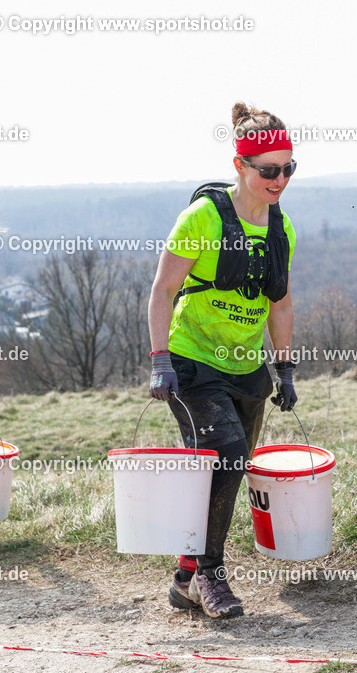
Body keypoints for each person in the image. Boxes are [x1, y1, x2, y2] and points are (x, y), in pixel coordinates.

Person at [148, 102, 299, 618]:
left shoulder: (282, 229)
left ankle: (185, 576)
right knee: (228, 455)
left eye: (288, 169)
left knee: (224, 474)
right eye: (269, 170)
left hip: (246, 368)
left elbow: (279, 301)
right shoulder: (204, 217)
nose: (280, 180)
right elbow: (162, 290)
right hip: (192, 362)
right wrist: (159, 359)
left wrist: (284, 367)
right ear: (241, 165)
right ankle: (211, 578)